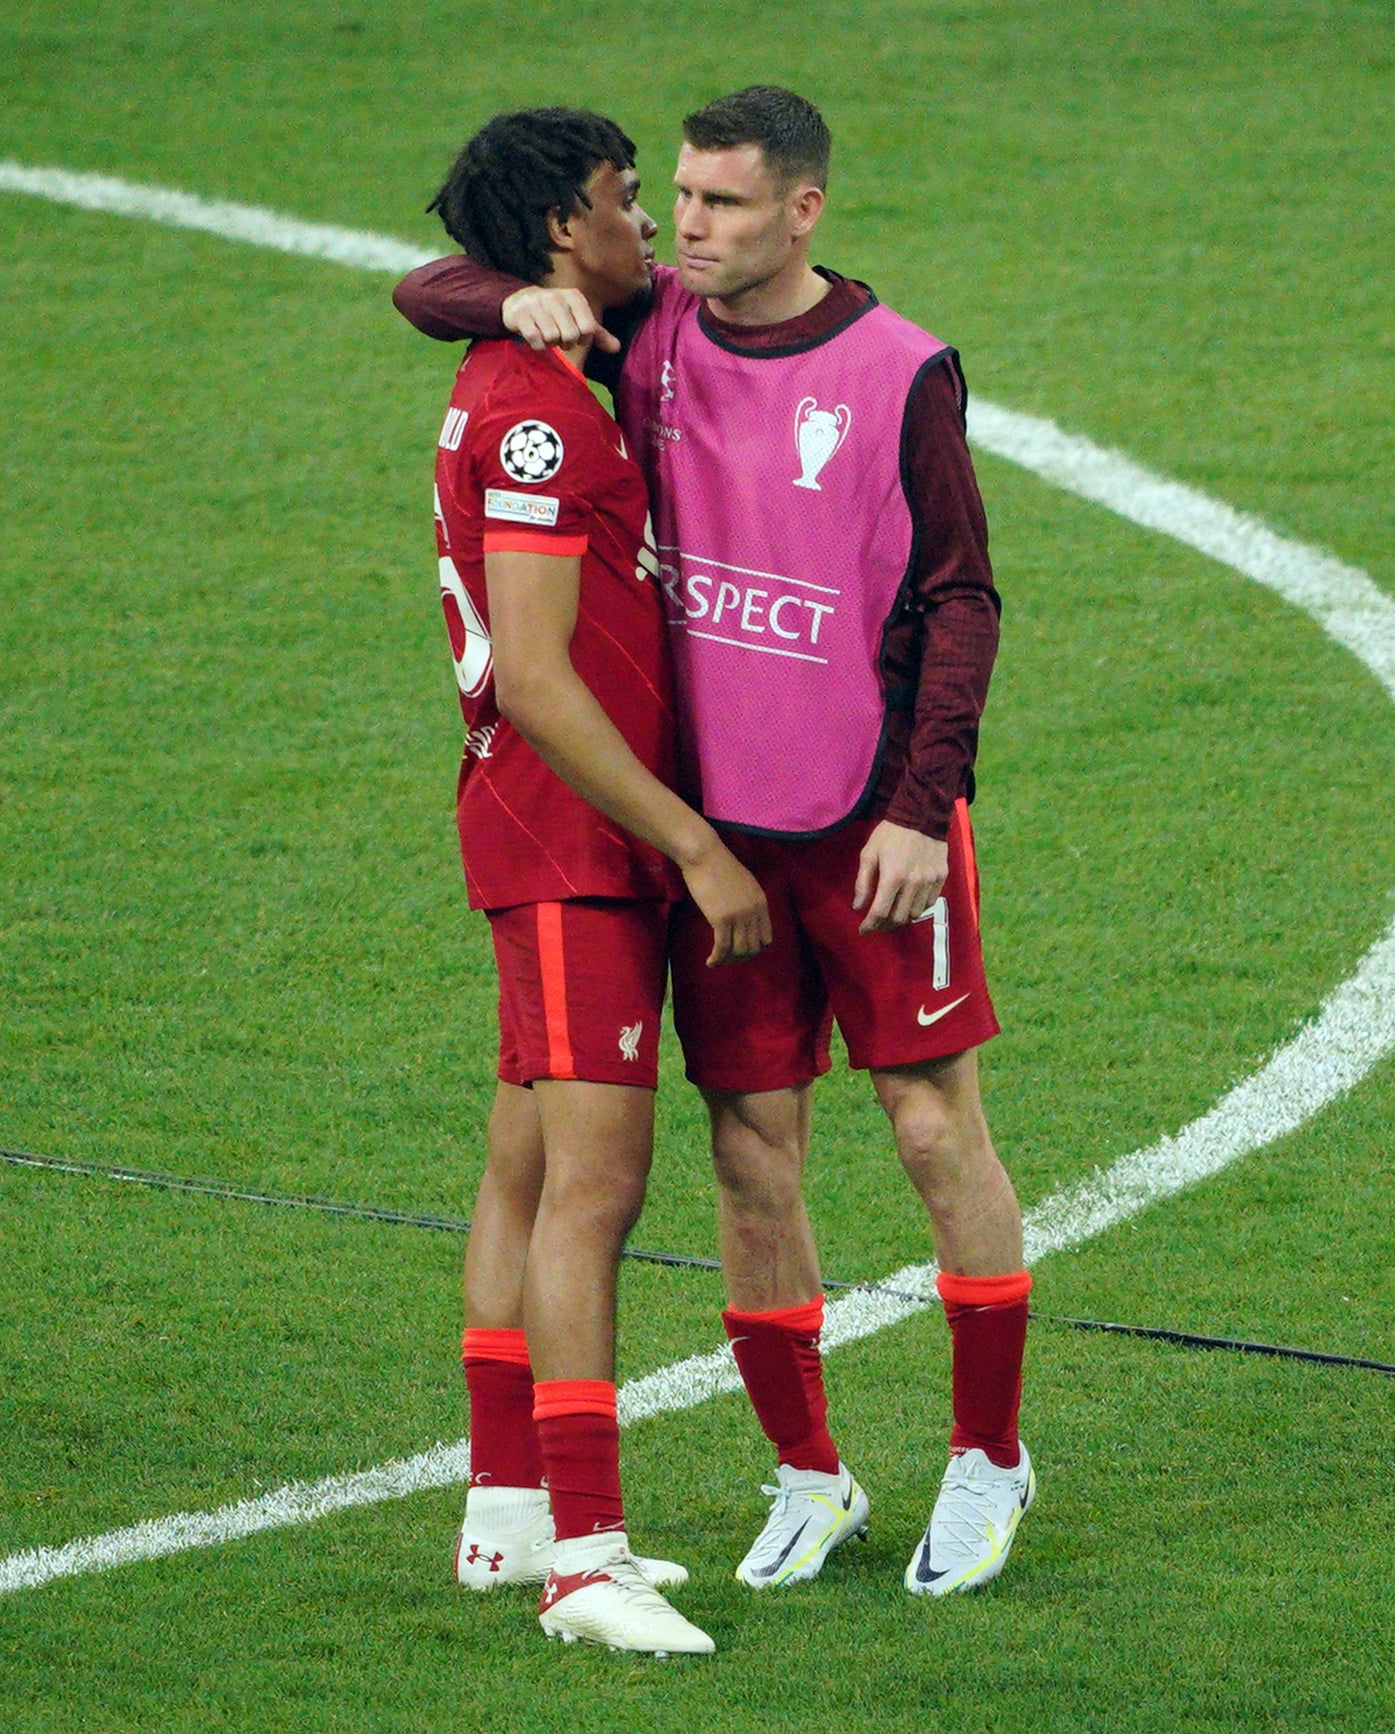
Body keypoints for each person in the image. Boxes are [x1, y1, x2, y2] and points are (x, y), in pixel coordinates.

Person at [395, 86, 1034, 1600]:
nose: (686, 229)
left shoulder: (900, 370)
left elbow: (961, 599)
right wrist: (507, 287)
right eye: (673, 199)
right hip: (721, 837)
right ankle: (808, 1473)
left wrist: (917, 809)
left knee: (938, 1130)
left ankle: (986, 1453)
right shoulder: (643, 338)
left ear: (802, 210)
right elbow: (428, 287)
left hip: (871, 820)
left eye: (724, 205)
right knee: (753, 1158)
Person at [417, 107, 772, 1658]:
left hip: (554, 829)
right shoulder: (540, 416)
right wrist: (691, 840)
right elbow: (546, 678)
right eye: (631, 203)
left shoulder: (537, 364)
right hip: (573, 837)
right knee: (596, 1189)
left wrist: (498, 298)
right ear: (566, 228)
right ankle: (587, 1557)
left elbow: (437, 285)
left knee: (521, 1162)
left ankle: (505, 1512)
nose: (652, 228)